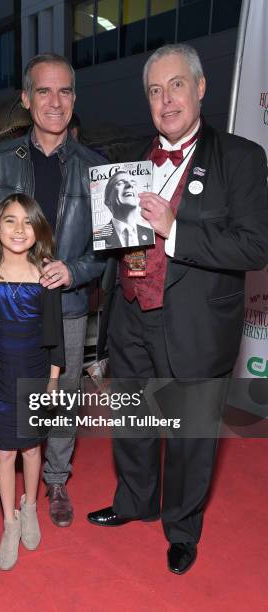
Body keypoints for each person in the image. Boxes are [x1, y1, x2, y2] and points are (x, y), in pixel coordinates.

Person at [88, 43, 268, 574]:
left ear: (201, 88)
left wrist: (175, 229)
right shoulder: (130, 158)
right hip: (129, 315)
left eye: (176, 85)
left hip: (195, 322)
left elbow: (256, 247)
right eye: (154, 90)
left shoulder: (241, 157)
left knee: (191, 436)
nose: (165, 100)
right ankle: (135, 501)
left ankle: (183, 528)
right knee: (133, 418)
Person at [0, 53, 105, 529]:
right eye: (44, 91)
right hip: (4, 303)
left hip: (64, 304)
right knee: (1, 394)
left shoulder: (94, 167)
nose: (55, 101)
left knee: (58, 396)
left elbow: (105, 250)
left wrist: (75, 270)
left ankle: (56, 481)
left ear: (74, 99)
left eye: (64, 91)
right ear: (26, 99)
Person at [0, 193, 64, 570]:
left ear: (38, 229)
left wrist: (53, 384)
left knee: (31, 449)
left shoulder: (46, 276)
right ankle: (9, 521)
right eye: (10, 220)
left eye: (27, 221)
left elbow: (54, 335)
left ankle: (30, 507)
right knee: (4, 451)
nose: (19, 229)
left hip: (35, 374)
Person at [98, 171, 154, 248]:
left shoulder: (151, 234)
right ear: (108, 201)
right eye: (120, 183)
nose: (130, 185)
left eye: (133, 183)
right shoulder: (98, 238)